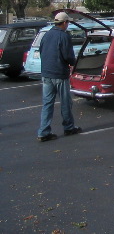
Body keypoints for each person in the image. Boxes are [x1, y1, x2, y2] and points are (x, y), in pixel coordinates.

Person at [37, 12, 82, 141]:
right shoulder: (64, 36)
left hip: (46, 73)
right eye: (67, 22)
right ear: (64, 23)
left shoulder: (47, 35)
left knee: (47, 104)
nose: (67, 25)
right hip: (59, 73)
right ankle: (69, 127)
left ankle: (43, 132)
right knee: (66, 102)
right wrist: (73, 64)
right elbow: (68, 56)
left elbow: (42, 51)